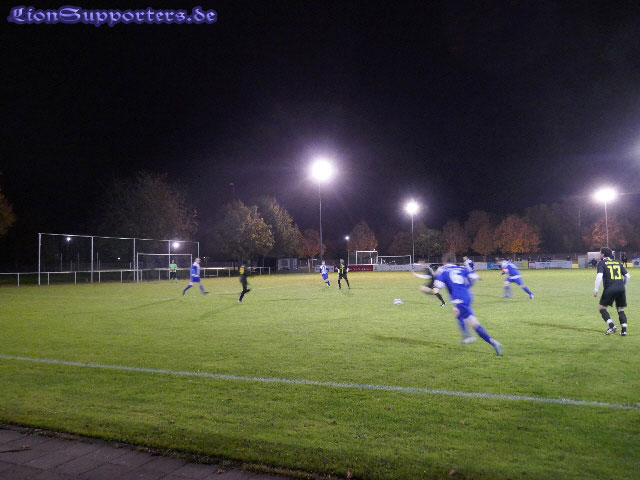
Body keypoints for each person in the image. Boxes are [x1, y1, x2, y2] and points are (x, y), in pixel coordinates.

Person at [422, 253, 502, 355]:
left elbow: (437, 288)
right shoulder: (461, 268)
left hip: (459, 300)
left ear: (444, 261)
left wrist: (426, 290)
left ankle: (488, 341)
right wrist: (467, 287)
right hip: (467, 296)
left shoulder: (443, 270)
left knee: (473, 324)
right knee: (457, 312)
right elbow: (474, 277)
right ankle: (471, 337)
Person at [594, 247, 630, 336]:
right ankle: (624, 331)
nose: (599, 254)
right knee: (620, 309)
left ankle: (612, 326)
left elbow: (599, 276)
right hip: (621, 288)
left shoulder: (602, 263)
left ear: (603, 254)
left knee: (601, 308)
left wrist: (596, 289)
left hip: (610, 288)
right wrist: (623, 285)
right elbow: (627, 276)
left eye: (600, 253)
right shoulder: (618, 262)